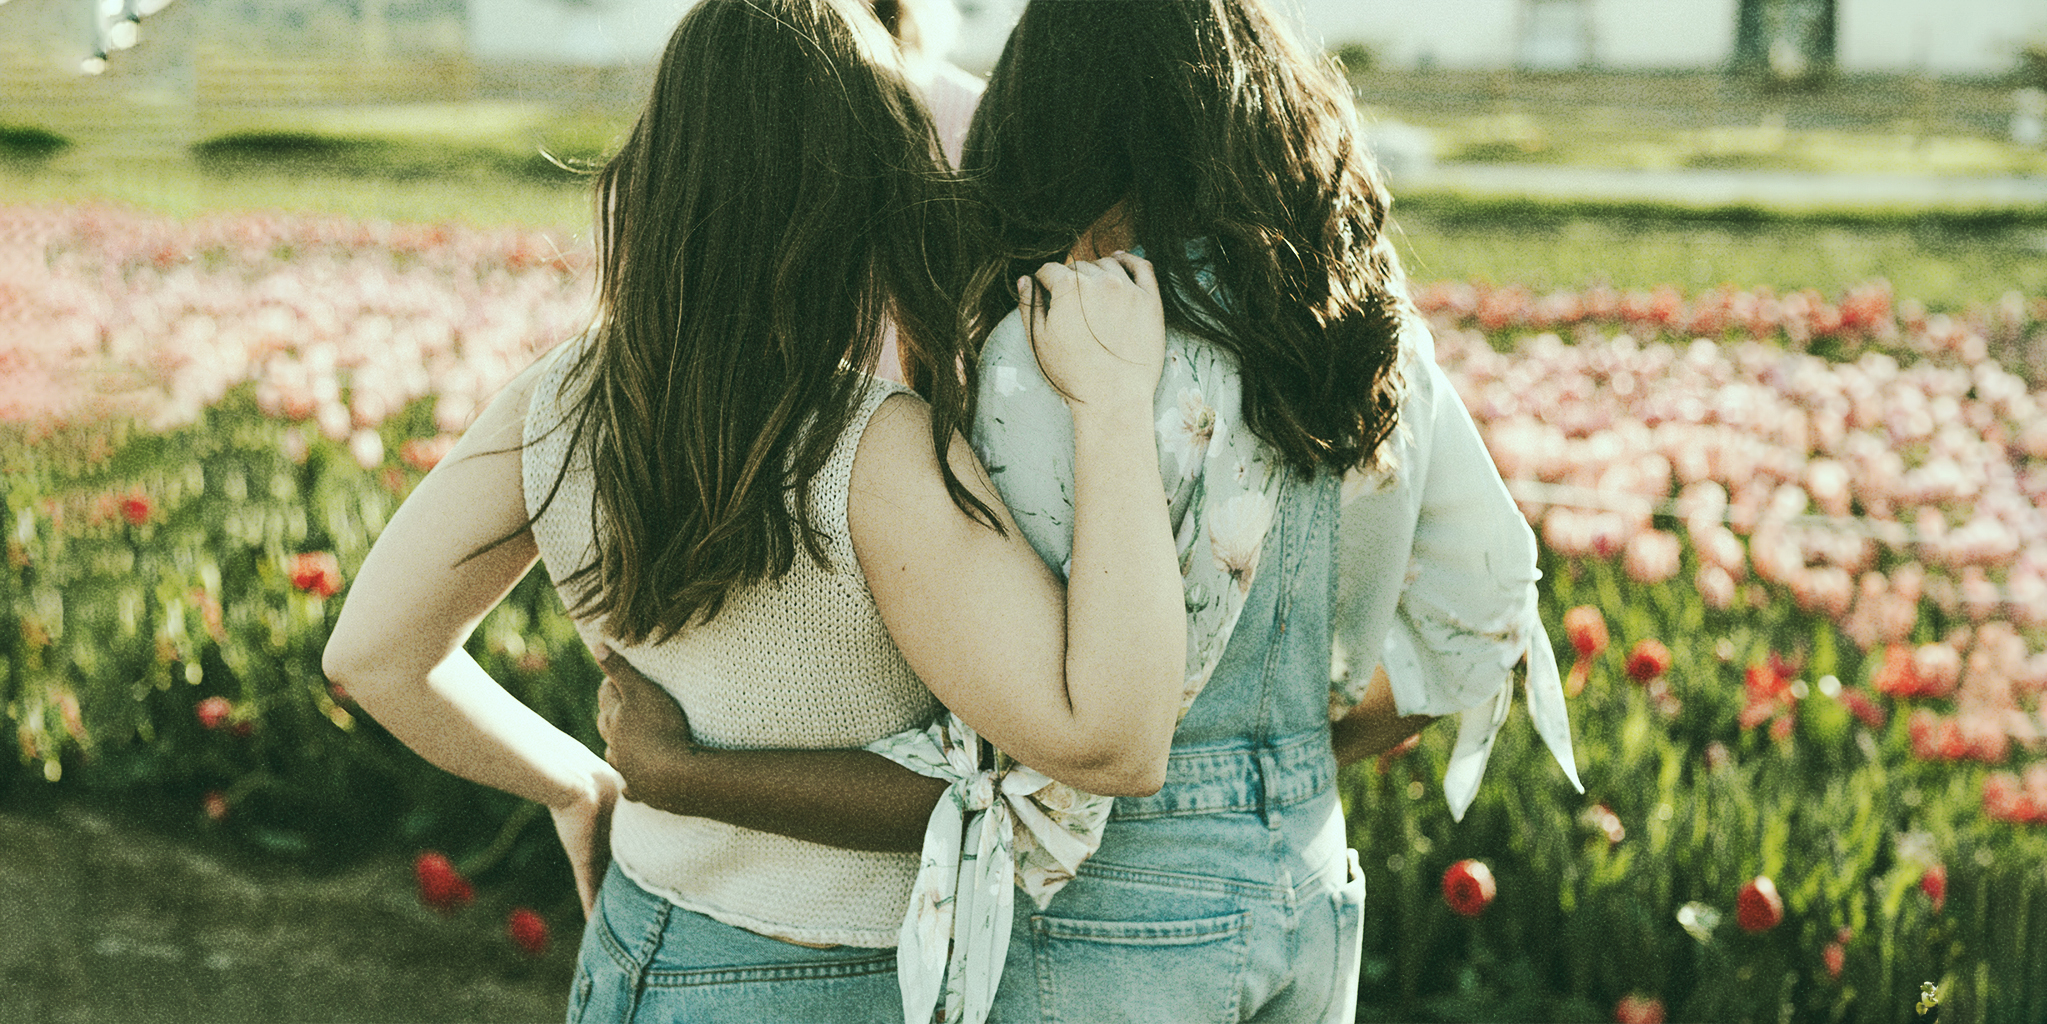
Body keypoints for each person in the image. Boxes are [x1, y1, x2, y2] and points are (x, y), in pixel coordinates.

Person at [597, 1, 1583, 1022]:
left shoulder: (1045, 357)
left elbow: (986, 753)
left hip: (1103, 916)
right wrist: (1268, 767)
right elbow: (1487, 609)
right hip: (1308, 877)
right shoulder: (1369, 340)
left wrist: (693, 772)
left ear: (1051, 116)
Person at [320, 1, 1191, 1021]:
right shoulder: (876, 449)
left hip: (634, 941)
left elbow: (372, 656)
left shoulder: (558, 400)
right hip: (828, 974)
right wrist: (1116, 409)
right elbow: (1114, 744)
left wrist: (580, 786)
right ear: (867, 190)